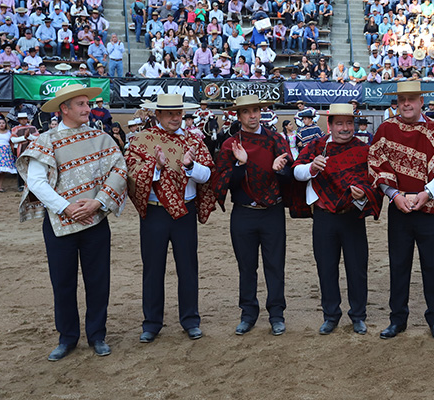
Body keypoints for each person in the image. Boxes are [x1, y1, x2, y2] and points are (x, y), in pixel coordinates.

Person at [15, 84, 127, 361]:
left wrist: (98, 202)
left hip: (95, 220)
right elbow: (37, 183)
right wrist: (66, 208)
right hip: (59, 224)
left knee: (98, 281)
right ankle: (67, 337)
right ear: (64, 108)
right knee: (63, 283)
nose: (87, 109)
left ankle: (97, 335)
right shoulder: (46, 141)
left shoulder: (101, 139)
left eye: (87, 104)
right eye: (80, 104)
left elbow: (120, 169)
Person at [368, 81, 434, 340]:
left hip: (429, 208)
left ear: (421, 101)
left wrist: (427, 193)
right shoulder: (385, 130)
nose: (406, 103)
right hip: (399, 208)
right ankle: (398, 319)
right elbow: (376, 165)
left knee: (433, 265)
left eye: (411, 99)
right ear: (396, 102)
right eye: (401, 99)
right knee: (399, 265)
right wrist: (393, 195)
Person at [124, 94, 217, 343]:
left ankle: (190, 320)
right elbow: (131, 172)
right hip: (155, 212)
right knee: (153, 269)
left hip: (184, 213)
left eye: (179, 114)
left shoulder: (194, 141)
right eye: (170, 114)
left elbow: (207, 175)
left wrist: (189, 166)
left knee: (188, 268)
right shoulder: (142, 140)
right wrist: (155, 167)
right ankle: (151, 323)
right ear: (158, 115)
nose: (176, 118)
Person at [291, 103, 382, 335]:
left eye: (349, 123)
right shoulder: (316, 146)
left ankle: (358, 316)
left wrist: (362, 196)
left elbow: (372, 183)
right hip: (324, 217)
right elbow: (296, 171)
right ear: (329, 125)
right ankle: (331, 315)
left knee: (357, 267)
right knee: (326, 267)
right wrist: (311, 167)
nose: (345, 128)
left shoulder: (363, 149)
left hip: (352, 216)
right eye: (339, 123)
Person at [210, 95, 293, 337]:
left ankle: (277, 314)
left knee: (275, 265)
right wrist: (241, 165)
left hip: (272, 212)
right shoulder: (230, 145)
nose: (253, 115)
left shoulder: (276, 139)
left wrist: (282, 169)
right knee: (247, 267)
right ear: (239, 116)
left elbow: (290, 175)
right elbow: (222, 183)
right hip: (244, 213)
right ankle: (248, 314)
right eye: (246, 112)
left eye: (256, 110)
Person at [10, 112, 40, 191]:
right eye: (21, 119)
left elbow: (37, 138)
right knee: (20, 167)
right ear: (19, 120)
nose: (23, 121)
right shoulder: (15, 128)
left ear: (27, 119)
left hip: (31, 150)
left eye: (25, 119)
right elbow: (13, 140)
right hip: (20, 150)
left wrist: (28, 136)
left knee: (31, 167)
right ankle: (21, 185)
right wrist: (25, 137)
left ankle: (30, 184)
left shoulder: (33, 128)